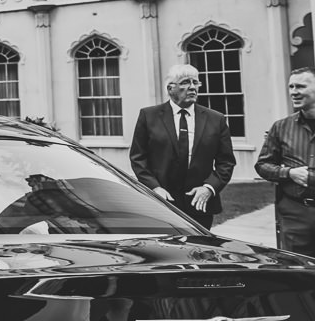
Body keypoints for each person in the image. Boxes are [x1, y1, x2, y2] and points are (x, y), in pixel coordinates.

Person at [129, 63, 235, 229]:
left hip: (199, 204)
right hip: (162, 203)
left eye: (195, 83)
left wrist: (209, 188)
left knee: (199, 252)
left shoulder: (216, 119)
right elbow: (138, 158)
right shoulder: (149, 116)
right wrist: (154, 188)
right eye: (186, 82)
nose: (192, 87)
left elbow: (226, 162)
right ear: (170, 88)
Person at [256, 67, 315, 255]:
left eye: (300, 86)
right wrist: (289, 173)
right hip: (295, 214)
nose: (293, 92)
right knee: (297, 273)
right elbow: (262, 165)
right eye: (291, 86)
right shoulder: (281, 127)